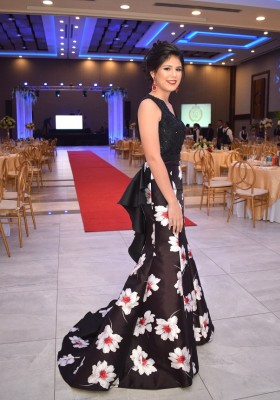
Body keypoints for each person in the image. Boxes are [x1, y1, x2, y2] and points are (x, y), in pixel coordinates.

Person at [57, 40, 214, 391]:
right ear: (153, 73)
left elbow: (169, 158)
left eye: (179, 68)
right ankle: (162, 339)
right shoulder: (148, 105)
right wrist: (171, 201)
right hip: (160, 191)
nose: (175, 74)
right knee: (163, 263)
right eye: (168, 68)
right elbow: (154, 158)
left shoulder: (169, 104)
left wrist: (176, 195)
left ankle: (175, 325)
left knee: (171, 257)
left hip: (171, 186)